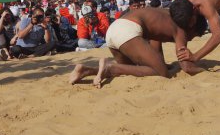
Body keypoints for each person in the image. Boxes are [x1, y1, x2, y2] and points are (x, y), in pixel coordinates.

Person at [69, 8, 207, 87]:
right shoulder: (181, 29)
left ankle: (86, 71)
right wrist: (206, 70)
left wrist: (160, 62)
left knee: (133, 70)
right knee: (162, 73)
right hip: (127, 30)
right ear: (192, 26)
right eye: (194, 36)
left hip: (114, 30)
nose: (190, 39)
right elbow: (187, 67)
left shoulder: (165, 15)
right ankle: (110, 66)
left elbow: (156, 46)